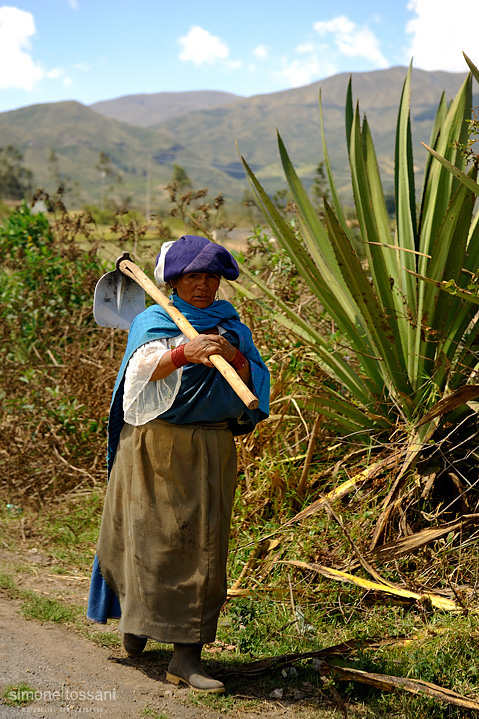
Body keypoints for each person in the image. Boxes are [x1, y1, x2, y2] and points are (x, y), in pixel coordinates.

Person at [87, 235, 270, 694]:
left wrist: (233, 358)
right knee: (151, 540)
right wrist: (180, 354)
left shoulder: (231, 326)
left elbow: (257, 379)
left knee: (203, 550)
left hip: (212, 448)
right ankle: (138, 620)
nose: (204, 286)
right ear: (173, 281)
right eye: (194, 276)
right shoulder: (154, 320)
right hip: (154, 447)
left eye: (212, 277)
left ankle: (186, 657)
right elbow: (138, 374)